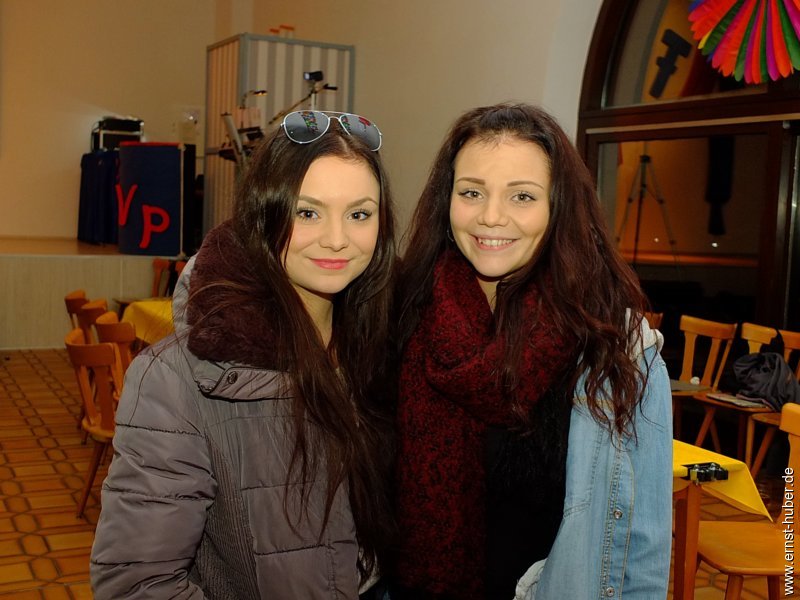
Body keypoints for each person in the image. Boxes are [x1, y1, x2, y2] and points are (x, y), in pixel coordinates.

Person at [90, 110, 397, 599]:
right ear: (263, 215)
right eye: (307, 212)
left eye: (359, 214)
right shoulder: (176, 378)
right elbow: (137, 584)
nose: (338, 239)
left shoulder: (387, 344)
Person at [390, 103, 672, 599]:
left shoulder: (616, 349)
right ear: (446, 200)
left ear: (558, 207)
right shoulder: (400, 318)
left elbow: (641, 545)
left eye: (522, 196)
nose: (491, 216)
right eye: (471, 192)